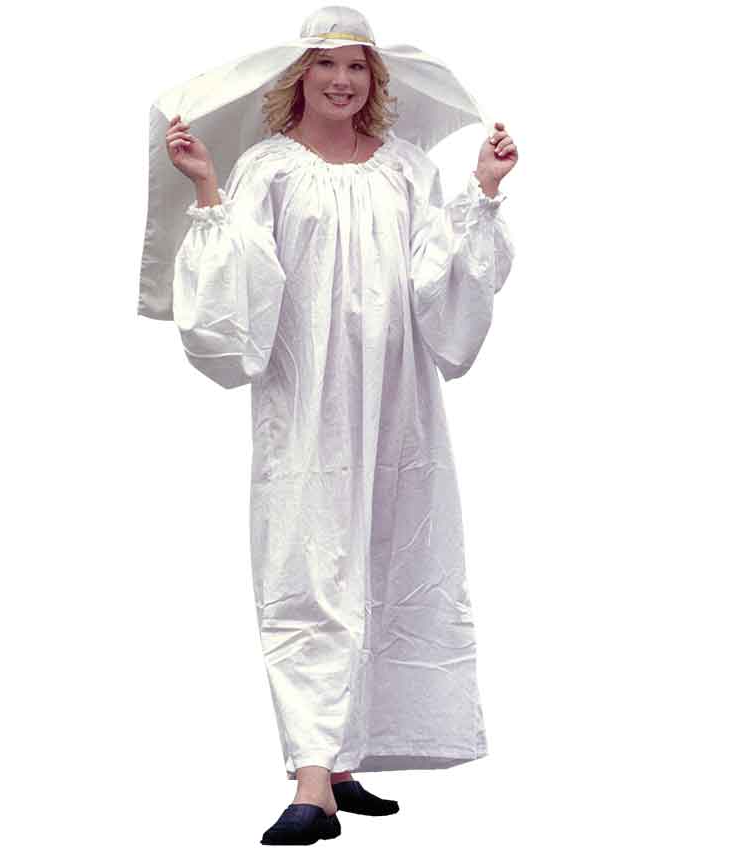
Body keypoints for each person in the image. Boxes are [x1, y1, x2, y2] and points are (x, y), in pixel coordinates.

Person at [159, 8, 517, 845]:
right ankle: (312, 777)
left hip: (399, 400)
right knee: (308, 563)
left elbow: (442, 281)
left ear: (375, 79)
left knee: (392, 556)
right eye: (327, 66)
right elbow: (239, 283)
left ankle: (345, 762)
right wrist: (207, 188)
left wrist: (484, 190)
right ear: (300, 77)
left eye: (357, 67)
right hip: (308, 395)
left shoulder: (405, 168)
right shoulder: (269, 168)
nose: (343, 81)